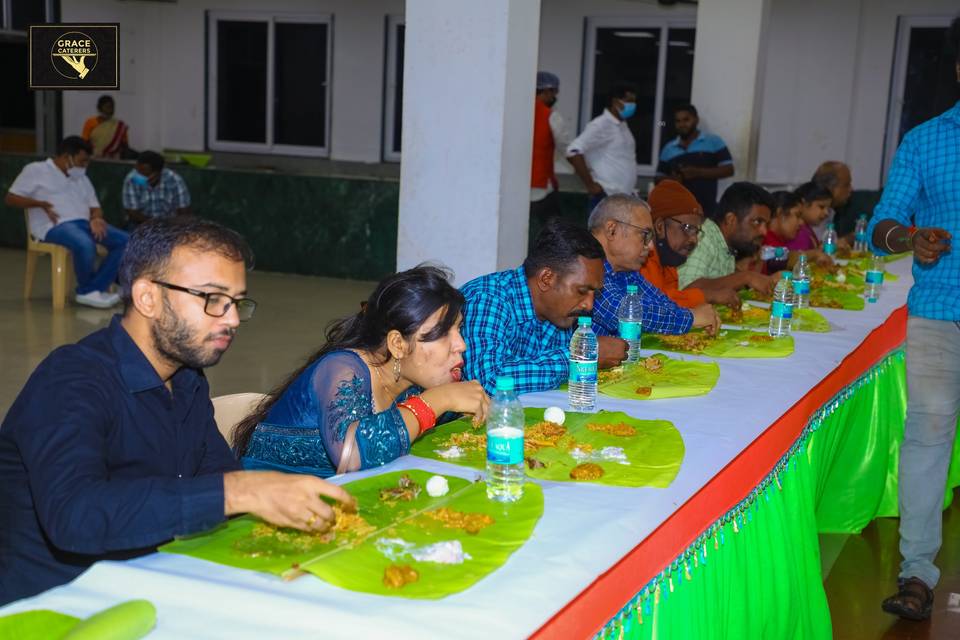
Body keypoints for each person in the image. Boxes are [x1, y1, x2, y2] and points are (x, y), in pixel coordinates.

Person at [0, 217, 355, 604]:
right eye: (212, 299)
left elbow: (214, 474)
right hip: (57, 604)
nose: (233, 319)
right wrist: (238, 492)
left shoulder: (186, 379)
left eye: (236, 302)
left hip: (153, 580)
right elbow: (76, 517)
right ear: (147, 297)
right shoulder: (71, 380)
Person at [234, 266, 489, 478]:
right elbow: (352, 455)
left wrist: (456, 403)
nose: (461, 345)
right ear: (397, 345)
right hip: (264, 510)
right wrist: (438, 400)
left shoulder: (412, 380)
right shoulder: (341, 369)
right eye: (443, 334)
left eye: (459, 329)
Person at [872, 17, 960, 622]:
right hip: (939, 314)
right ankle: (916, 572)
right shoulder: (925, 141)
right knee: (928, 437)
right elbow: (881, 226)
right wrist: (910, 237)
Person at [461, 219, 627, 395]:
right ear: (546, 279)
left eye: (595, 294)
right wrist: (579, 356)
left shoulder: (560, 313)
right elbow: (488, 382)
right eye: (582, 291)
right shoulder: (488, 300)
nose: (589, 304)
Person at [5, 136, 128, 309]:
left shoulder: (82, 178)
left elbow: (95, 206)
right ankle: (87, 291)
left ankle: (94, 288)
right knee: (84, 244)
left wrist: (96, 218)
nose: (85, 165)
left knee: (127, 241)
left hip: (84, 224)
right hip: (53, 226)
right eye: (82, 160)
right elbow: (10, 198)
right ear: (66, 156)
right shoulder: (35, 170)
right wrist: (39, 204)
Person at [589, 194, 720, 338]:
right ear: (612, 230)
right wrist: (690, 318)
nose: (651, 246)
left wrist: (692, 315)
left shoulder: (626, 271)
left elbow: (661, 302)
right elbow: (618, 311)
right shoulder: (583, 262)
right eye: (644, 235)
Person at [641, 179, 741, 309]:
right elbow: (655, 306)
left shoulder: (669, 262)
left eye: (696, 231)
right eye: (687, 228)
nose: (694, 239)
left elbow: (672, 302)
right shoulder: (642, 259)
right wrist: (707, 296)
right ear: (660, 227)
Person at [677, 181, 777, 296]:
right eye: (757, 222)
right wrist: (746, 277)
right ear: (731, 220)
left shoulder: (727, 245)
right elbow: (687, 290)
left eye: (766, 224)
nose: (764, 232)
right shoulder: (703, 237)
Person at [566, 83, 638, 211]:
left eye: (634, 101)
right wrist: (591, 186)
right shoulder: (601, 124)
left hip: (623, 199)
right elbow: (573, 151)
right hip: (605, 199)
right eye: (629, 101)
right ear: (616, 101)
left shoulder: (622, 125)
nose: (633, 105)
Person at [655, 104, 735, 217]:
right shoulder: (669, 148)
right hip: (678, 210)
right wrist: (673, 179)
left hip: (708, 210)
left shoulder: (713, 141)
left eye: (686, 120)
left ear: (696, 120)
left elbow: (729, 169)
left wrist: (697, 172)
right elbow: (658, 178)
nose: (682, 124)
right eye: (678, 121)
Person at [763, 190, 831, 273]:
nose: (801, 222)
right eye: (797, 215)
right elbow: (784, 259)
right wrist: (815, 254)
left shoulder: (777, 240)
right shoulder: (765, 238)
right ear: (780, 213)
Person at [123, 150, 192, 228]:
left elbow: (184, 211)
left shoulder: (174, 180)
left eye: (143, 172)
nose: (138, 174)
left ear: (157, 173)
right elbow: (132, 213)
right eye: (137, 169)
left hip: (170, 225)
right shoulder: (131, 179)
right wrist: (156, 226)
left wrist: (168, 226)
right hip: (140, 224)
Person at [530, 72, 563, 227]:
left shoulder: (518, 111)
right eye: (554, 93)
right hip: (540, 187)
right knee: (555, 233)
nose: (554, 98)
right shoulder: (550, 116)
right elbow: (568, 149)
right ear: (546, 91)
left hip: (516, 186)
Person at [785, 181, 833, 253]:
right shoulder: (798, 232)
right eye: (821, 207)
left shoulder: (806, 228)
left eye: (828, 209)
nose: (826, 213)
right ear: (803, 203)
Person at [810, 160, 853, 240]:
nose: (851, 189)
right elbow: (819, 248)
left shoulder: (830, 211)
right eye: (846, 185)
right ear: (830, 187)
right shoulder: (812, 211)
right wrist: (848, 239)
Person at [81, 95, 132, 159]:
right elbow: (85, 142)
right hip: (95, 158)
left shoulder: (120, 126)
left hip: (114, 159)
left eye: (112, 107)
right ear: (99, 108)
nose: (110, 110)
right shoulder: (90, 122)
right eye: (107, 107)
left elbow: (125, 145)